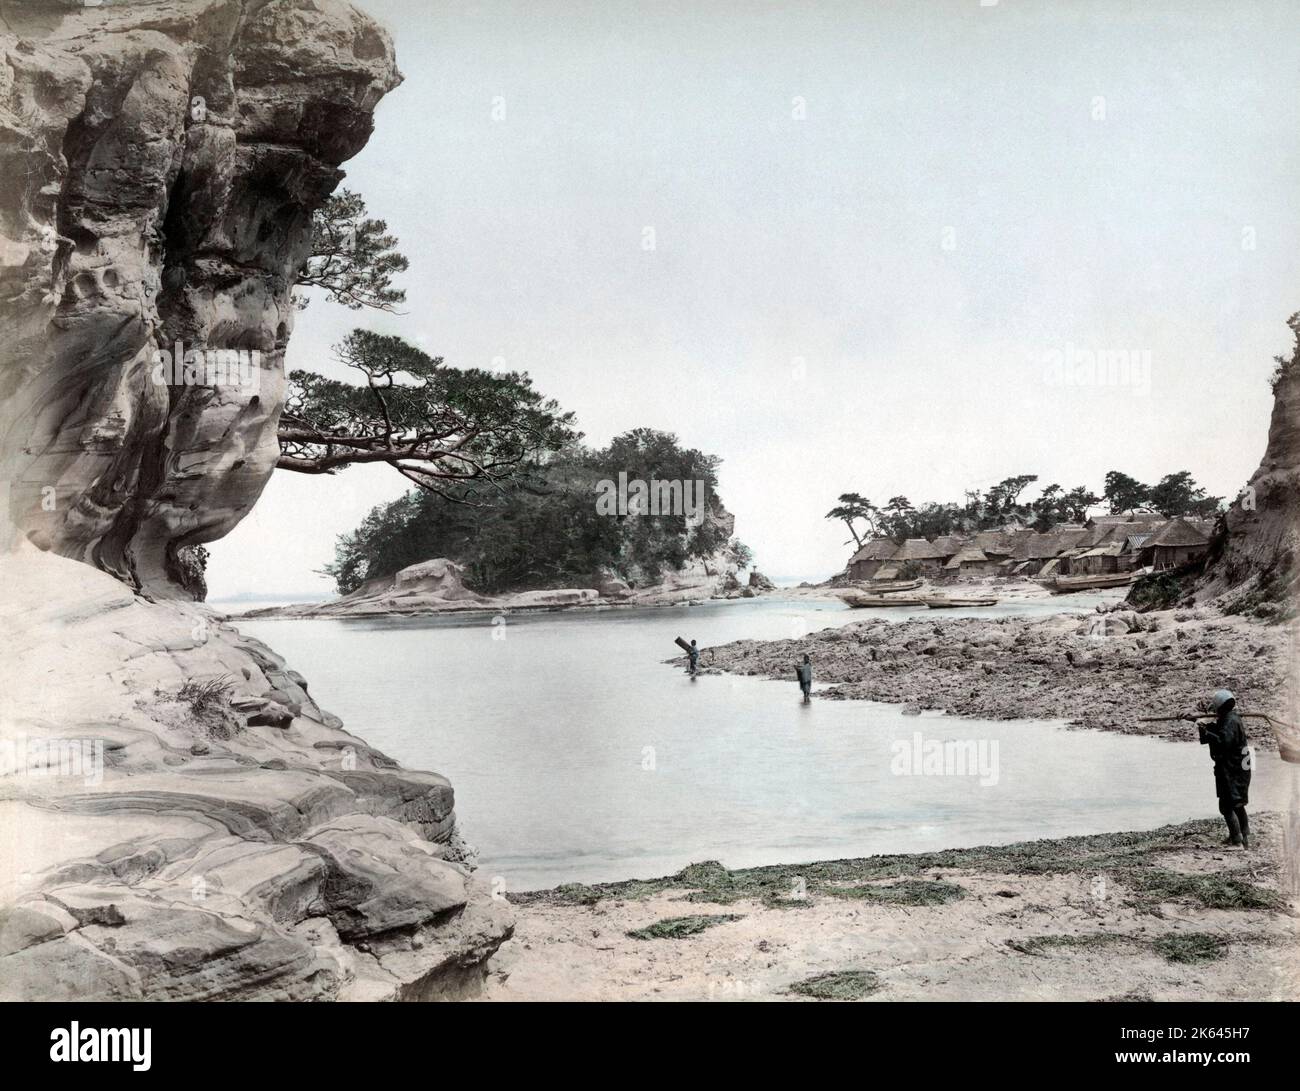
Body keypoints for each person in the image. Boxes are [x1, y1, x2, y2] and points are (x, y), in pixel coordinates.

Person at [1185, 689, 1251, 849]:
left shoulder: (1229, 721)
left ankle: (1237, 841)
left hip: (1232, 769)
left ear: (1220, 707)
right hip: (1239, 769)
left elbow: (1222, 742)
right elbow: (1217, 733)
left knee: (1227, 805)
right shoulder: (1232, 718)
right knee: (1237, 803)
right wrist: (1199, 723)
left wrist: (1203, 727)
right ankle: (1244, 836)